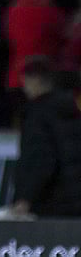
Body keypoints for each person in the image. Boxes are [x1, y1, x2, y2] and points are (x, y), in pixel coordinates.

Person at [10, 56, 81, 218]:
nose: (24, 86)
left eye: (26, 80)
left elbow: (41, 159)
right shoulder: (70, 109)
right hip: (73, 200)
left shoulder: (37, 115)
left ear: (36, 80)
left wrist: (26, 198)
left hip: (50, 203)